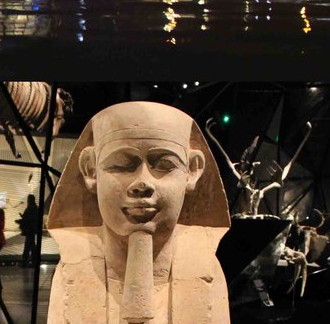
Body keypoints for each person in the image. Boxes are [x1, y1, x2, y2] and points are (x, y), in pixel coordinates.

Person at [45, 102, 230, 324]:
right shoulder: (72, 271)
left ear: (192, 171)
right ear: (91, 170)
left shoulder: (205, 268)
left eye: (164, 165)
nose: (142, 183)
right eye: (122, 165)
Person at [18, 194, 41, 266]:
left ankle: (26, 262)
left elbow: (28, 219)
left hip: (29, 230)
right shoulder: (35, 208)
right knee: (31, 246)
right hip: (32, 230)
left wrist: (22, 218)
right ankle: (33, 262)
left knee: (28, 247)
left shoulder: (31, 208)